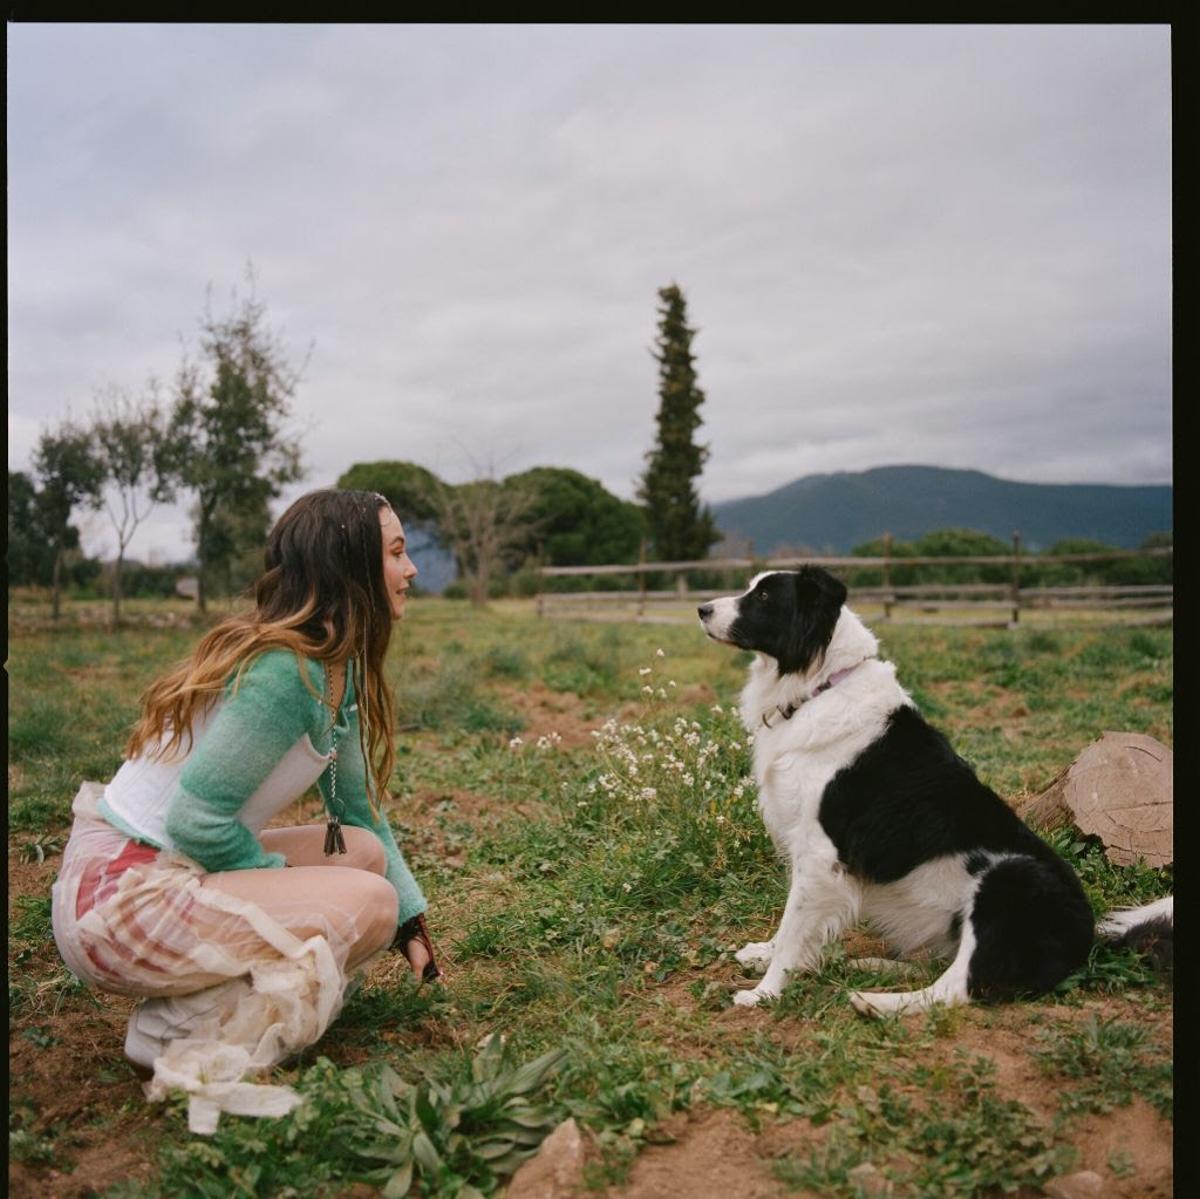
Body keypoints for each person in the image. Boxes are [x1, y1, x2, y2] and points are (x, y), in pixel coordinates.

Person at [50, 489, 442, 1133]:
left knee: (366, 866)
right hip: (120, 902)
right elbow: (195, 822)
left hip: (176, 869)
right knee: (363, 901)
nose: (412, 569)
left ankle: (213, 998)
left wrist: (411, 918)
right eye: (397, 553)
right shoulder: (285, 675)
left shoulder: (336, 667)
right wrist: (295, 889)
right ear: (352, 568)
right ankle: (178, 1032)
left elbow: (361, 818)